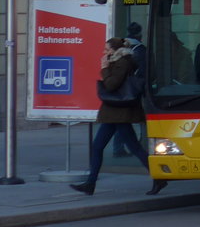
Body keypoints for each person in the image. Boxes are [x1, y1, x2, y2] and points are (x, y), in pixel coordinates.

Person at [71, 37, 167, 197]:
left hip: (120, 112)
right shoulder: (120, 61)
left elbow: (111, 85)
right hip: (115, 112)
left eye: (107, 50)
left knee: (133, 147)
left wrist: (104, 68)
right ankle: (90, 183)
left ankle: (159, 178)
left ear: (116, 51)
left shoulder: (123, 62)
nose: (104, 53)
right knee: (99, 147)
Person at [113, 23, 147, 157]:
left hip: (121, 89)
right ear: (140, 34)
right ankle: (140, 146)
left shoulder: (120, 48)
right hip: (135, 89)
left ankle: (119, 147)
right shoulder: (141, 49)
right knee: (138, 118)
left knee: (121, 120)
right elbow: (144, 71)